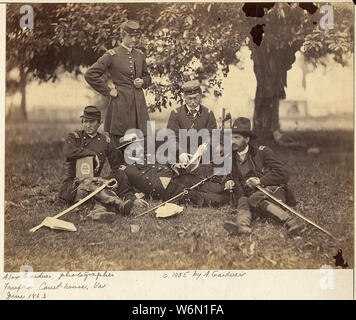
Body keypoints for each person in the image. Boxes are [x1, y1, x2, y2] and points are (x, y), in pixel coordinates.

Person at [58, 106, 142, 222]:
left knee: (111, 178)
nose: (88, 125)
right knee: (89, 184)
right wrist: (91, 154)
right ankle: (118, 204)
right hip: (73, 185)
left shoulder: (105, 141)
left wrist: (113, 182)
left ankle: (98, 213)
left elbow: (116, 166)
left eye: (92, 122)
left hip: (95, 183)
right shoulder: (74, 137)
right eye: (85, 121)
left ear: (100, 123)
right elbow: (69, 153)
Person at [223, 117, 303, 236]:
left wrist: (260, 181)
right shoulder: (231, 156)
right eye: (231, 137)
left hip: (273, 192)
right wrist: (229, 180)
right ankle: (243, 226)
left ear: (247, 139)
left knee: (253, 198)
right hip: (254, 199)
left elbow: (283, 173)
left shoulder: (262, 152)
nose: (232, 141)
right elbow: (228, 173)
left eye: (236, 137)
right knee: (243, 199)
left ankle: (291, 221)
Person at [84, 20, 152, 149]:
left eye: (136, 36)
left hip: (139, 105)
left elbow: (147, 77)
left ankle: (139, 169)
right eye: (130, 36)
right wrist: (108, 90)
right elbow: (90, 74)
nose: (134, 39)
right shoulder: (112, 55)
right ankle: (119, 169)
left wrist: (143, 81)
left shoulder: (140, 55)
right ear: (122, 35)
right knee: (120, 142)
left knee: (142, 144)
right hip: (121, 104)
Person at [116, 134, 230, 207]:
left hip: (178, 177)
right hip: (170, 190)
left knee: (212, 186)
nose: (141, 147)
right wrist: (134, 199)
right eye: (135, 146)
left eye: (140, 144)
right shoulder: (124, 169)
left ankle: (228, 188)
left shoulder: (148, 156)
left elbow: (164, 163)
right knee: (210, 199)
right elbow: (124, 191)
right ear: (127, 150)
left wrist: (174, 165)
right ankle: (228, 197)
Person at [166, 80, 217, 163]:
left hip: (203, 159)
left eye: (195, 98)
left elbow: (213, 136)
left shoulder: (208, 114)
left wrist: (206, 145)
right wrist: (180, 153)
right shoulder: (176, 114)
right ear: (184, 97)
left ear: (200, 95)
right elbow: (171, 138)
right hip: (181, 159)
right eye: (189, 99)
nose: (193, 102)